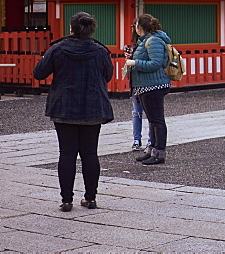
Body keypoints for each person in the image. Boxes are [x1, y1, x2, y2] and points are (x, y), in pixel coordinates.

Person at [33, 11, 114, 211]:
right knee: (90, 153)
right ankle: (90, 198)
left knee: (67, 153)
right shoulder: (100, 51)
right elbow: (107, 75)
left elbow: (39, 73)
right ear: (91, 29)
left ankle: (66, 200)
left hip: (65, 106)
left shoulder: (58, 49)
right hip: (93, 107)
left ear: (71, 28)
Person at [124, 14, 172, 165]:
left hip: (154, 85)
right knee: (152, 120)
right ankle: (151, 150)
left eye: (136, 25)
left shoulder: (154, 41)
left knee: (157, 120)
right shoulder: (146, 41)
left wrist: (134, 63)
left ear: (141, 27)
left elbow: (156, 63)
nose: (135, 28)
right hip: (146, 85)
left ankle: (159, 153)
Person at [123, 26, 148, 151]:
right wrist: (128, 59)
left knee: (148, 114)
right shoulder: (133, 47)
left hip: (148, 83)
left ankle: (150, 140)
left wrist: (134, 62)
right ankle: (136, 139)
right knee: (137, 112)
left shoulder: (151, 43)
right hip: (136, 83)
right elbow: (128, 69)